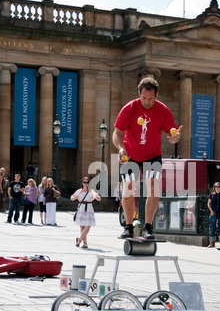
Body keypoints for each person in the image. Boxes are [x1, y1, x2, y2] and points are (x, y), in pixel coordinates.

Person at [112, 77, 182, 239]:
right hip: (130, 155)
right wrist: (121, 149)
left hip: (152, 156)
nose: (147, 102)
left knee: (153, 188)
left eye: (151, 99)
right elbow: (117, 133)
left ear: (156, 95)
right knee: (128, 187)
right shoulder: (129, 108)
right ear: (139, 94)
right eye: (144, 98)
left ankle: (148, 228)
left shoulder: (163, 110)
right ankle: (128, 227)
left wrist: (174, 138)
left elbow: (171, 134)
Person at [70, 177, 101, 248]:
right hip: (81, 208)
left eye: (87, 182)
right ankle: (85, 243)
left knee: (87, 227)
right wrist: (73, 197)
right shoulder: (79, 191)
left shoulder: (91, 191)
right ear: (82, 183)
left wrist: (97, 197)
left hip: (89, 208)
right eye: (84, 182)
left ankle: (79, 240)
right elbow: (72, 197)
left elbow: (99, 198)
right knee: (82, 227)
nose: (86, 184)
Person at [207, 182, 220, 248]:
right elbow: (208, 204)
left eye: (218, 186)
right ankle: (211, 243)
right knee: (212, 227)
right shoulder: (212, 195)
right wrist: (211, 211)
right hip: (214, 212)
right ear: (214, 188)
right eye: (216, 186)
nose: (217, 188)